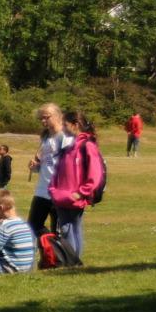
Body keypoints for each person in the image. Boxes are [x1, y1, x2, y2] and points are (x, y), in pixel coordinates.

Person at [48, 111, 105, 259]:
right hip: (61, 196)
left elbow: (95, 174)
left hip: (75, 196)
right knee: (67, 228)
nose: (63, 128)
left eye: (65, 124)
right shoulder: (69, 147)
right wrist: (53, 189)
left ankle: (73, 261)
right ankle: (72, 260)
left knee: (71, 228)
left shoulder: (87, 146)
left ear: (76, 125)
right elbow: (57, 171)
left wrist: (81, 193)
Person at [27, 103, 68, 236]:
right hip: (42, 190)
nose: (43, 121)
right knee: (33, 225)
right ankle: (49, 248)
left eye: (46, 117)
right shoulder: (46, 137)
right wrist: (36, 166)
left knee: (58, 232)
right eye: (41, 118)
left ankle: (57, 248)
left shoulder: (65, 137)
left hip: (59, 191)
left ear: (58, 116)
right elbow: (47, 162)